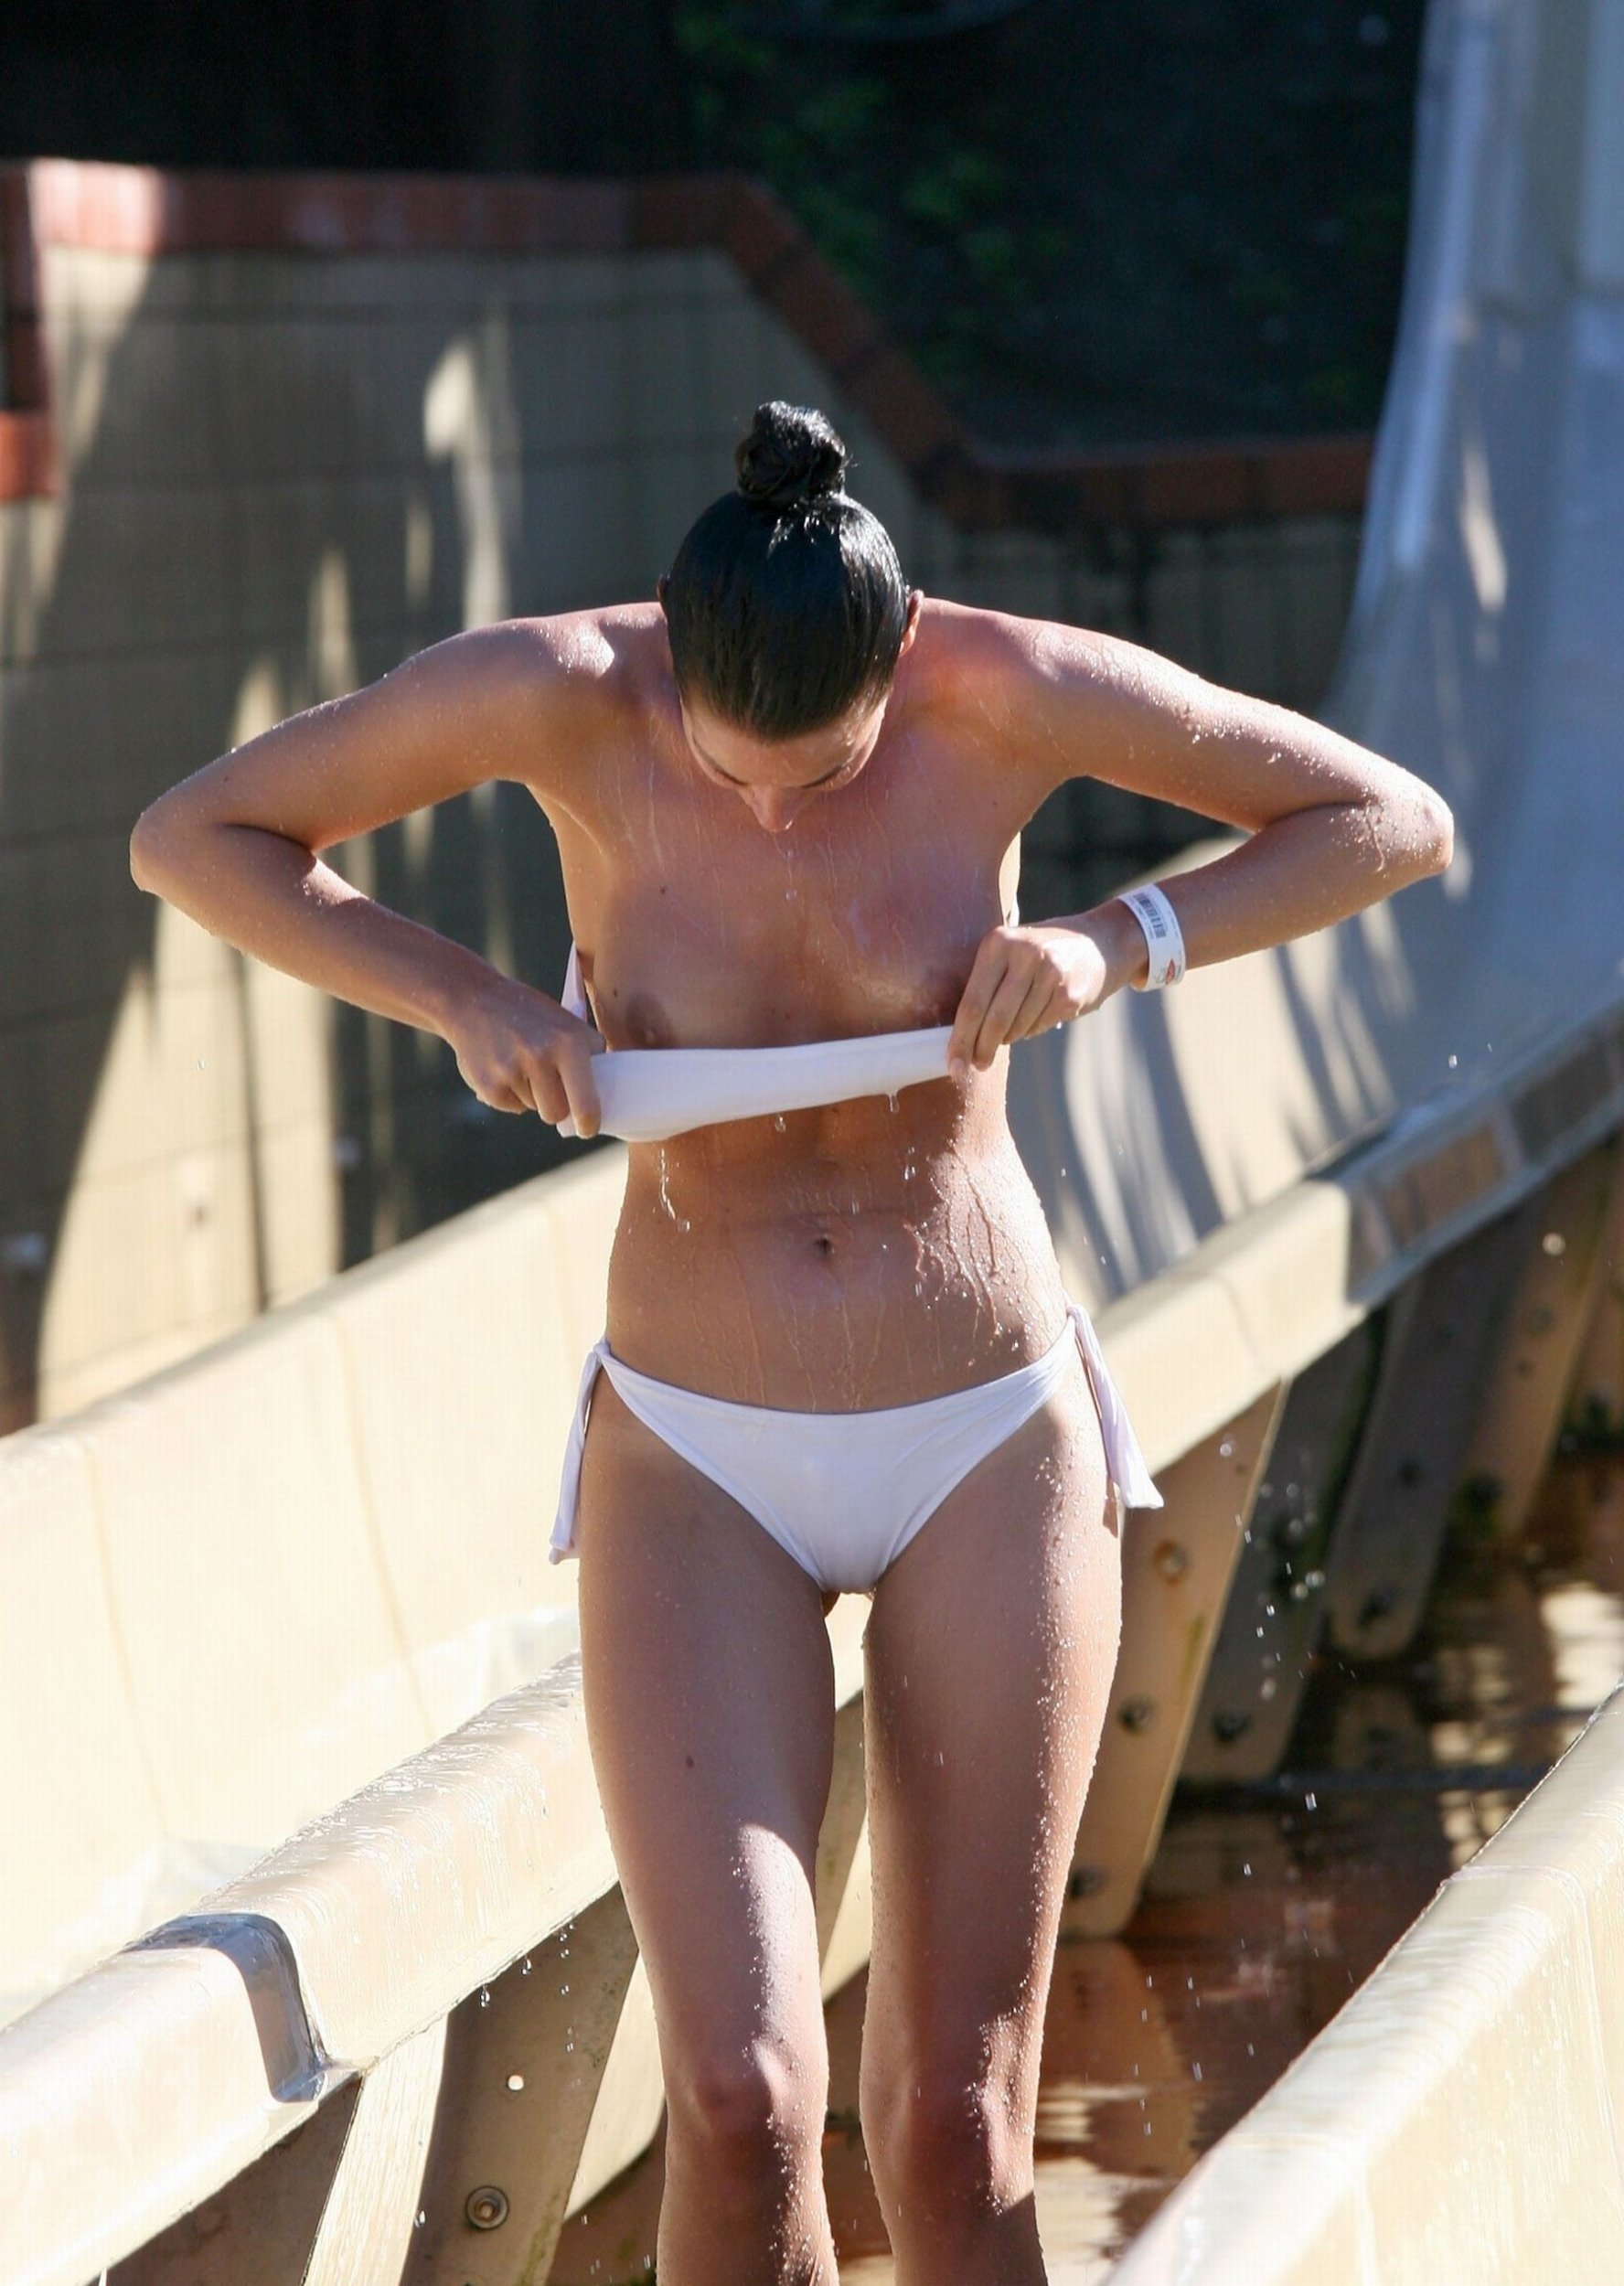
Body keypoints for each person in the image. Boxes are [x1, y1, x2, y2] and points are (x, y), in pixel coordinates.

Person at [129, 400, 1453, 2285]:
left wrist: (1119, 936)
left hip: (982, 1430)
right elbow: (195, 835)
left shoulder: (1004, 688)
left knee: (955, 2120)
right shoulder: (555, 691)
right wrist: (470, 998)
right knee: (742, 2096)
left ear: (897, 665)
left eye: (822, 776)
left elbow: (1386, 818)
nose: (771, 820)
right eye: (728, 771)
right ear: (669, 662)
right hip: (700, 1445)